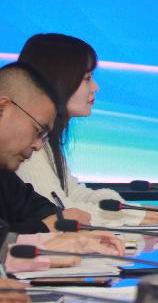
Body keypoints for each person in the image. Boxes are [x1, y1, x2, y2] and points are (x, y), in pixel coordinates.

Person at [16, 34, 158, 227]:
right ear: (58, 80)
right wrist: (130, 216)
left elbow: (73, 193)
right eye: (87, 78)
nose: (95, 87)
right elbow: (57, 209)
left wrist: (128, 209)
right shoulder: (26, 144)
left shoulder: (46, 138)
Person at [0, 62, 123, 253]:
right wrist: (46, 228)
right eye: (38, 130)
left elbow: (40, 210)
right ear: (3, 108)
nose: (38, 145)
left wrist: (67, 228)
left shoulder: (4, 174)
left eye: (44, 136)